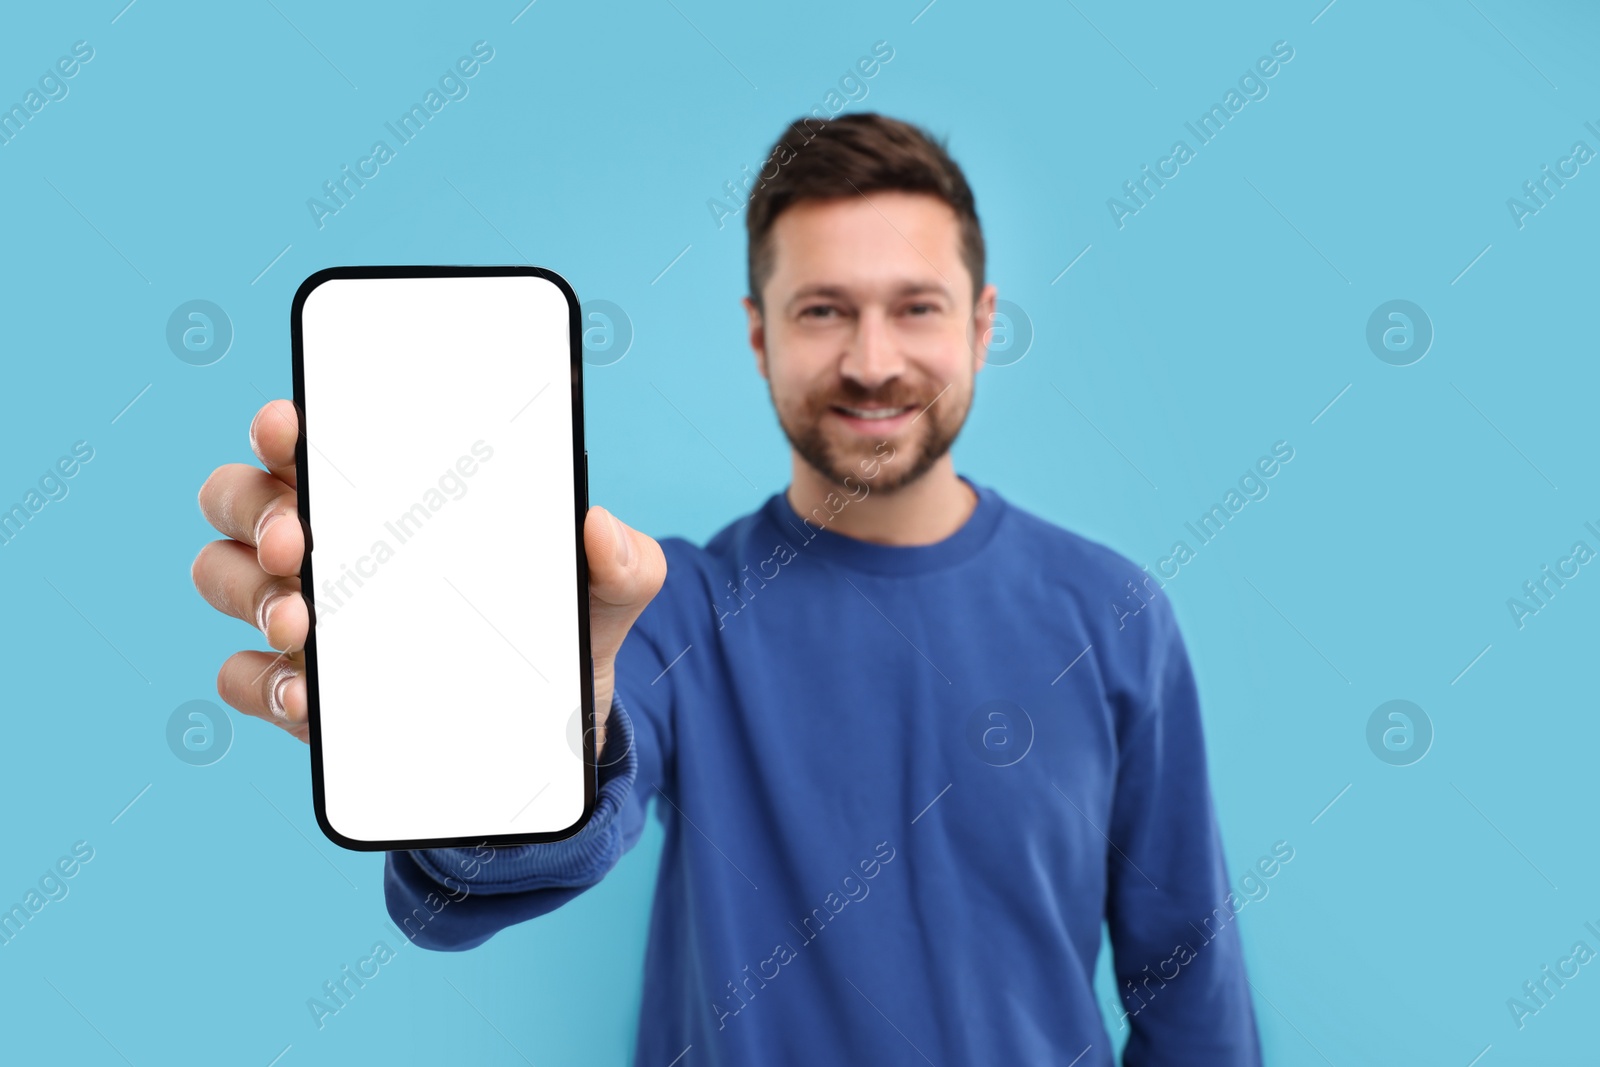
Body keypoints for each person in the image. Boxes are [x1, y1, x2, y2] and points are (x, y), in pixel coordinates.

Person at [192, 112, 1261, 1065]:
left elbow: (1192, 997)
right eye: (823, 311)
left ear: (982, 324)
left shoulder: (1115, 614)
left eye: (916, 307)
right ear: (758, 333)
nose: (871, 359)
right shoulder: (671, 611)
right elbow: (472, 884)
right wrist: (492, 731)